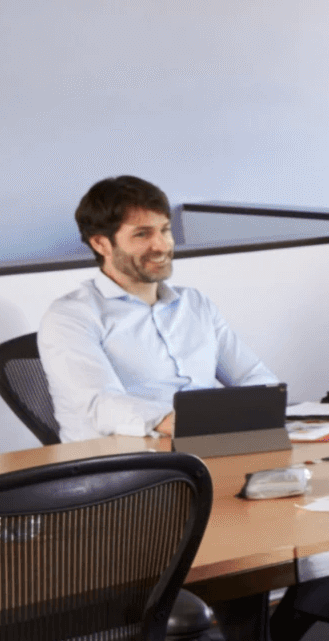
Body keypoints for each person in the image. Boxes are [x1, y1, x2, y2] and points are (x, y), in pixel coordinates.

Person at [37, 174, 280, 442]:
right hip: (123, 463)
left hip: (206, 444)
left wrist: (266, 411)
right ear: (101, 244)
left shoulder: (194, 304)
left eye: (164, 230)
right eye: (142, 234)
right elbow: (101, 404)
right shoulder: (71, 316)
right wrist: (191, 423)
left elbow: (252, 376)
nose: (162, 245)